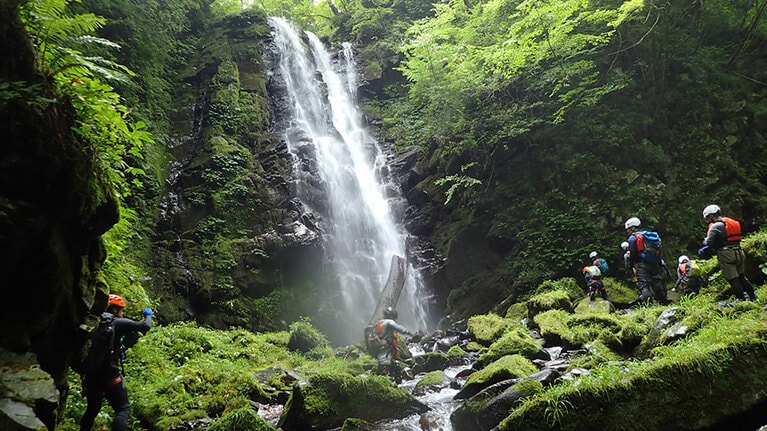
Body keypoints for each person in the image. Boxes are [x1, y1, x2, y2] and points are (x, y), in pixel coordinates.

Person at [80, 294, 153, 431]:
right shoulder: (118, 322)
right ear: (114, 309)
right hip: (110, 374)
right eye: (121, 310)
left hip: (92, 375)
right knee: (123, 409)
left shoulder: (94, 322)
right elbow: (145, 326)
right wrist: (148, 315)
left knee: (92, 411)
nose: (122, 313)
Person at [699, 204, 757, 301]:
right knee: (741, 277)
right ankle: (753, 297)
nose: (708, 220)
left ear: (712, 215)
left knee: (733, 279)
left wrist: (704, 245)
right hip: (739, 251)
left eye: (708, 217)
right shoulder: (731, 222)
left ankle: (741, 300)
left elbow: (709, 242)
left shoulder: (715, 226)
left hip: (727, 255)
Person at [625, 217, 668, 305]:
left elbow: (632, 254)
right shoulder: (650, 236)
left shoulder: (633, 238)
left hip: (641, 264)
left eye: (628, 229)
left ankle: (648, 307)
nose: (627, 231)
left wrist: (631, 265)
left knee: (643, 286)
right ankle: (663, 304)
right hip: (655, 264)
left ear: (633, 228)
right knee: (657, 284)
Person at [373, 307, 414, 383]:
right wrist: (410, 333)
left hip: (379, 347)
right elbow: (399, 328)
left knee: (387, 365)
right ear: (393, 315)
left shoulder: (379, 323)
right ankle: (382, 384)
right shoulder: (389, 322)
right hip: (386, 348)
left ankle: (389, 381)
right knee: (384, 366)